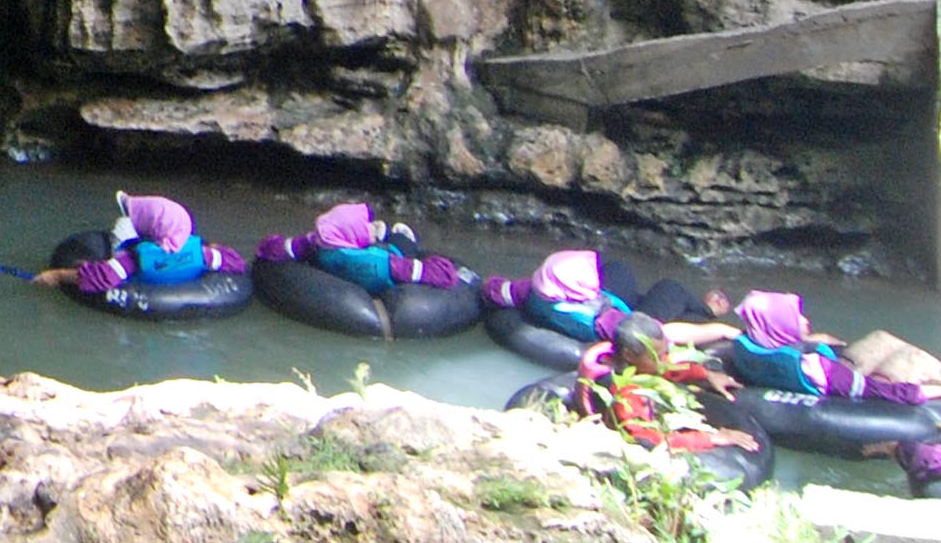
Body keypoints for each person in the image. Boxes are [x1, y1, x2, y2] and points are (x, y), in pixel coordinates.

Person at [672, 292, 937, 403]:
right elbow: (888, 392)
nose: (805, 320)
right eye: (797, 317)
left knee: (881, 337)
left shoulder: (747, 344)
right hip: (842, 382)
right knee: (913, 359)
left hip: (813, 367)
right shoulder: (817, 368)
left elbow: (719, 353)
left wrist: (812, 341)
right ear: (780, 325)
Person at [571, 318, 755, 455]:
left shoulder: (629, 362)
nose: (664, 361)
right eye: (658, 356)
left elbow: (664, 368)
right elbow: (647, 439)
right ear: (628, 354)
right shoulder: (623, 392)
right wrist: (711, 438)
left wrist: (705, 374)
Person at [32, 191, 242, 297]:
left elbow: (100, 276)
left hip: (145, 287)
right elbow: (235, 263)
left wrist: (56, 275)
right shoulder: (203, 254)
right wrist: (214, 248)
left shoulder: (134, 259)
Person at [253, 201, 465, 289]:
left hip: (344, 257)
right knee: (401, 243)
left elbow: (276, 248)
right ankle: (396, 237)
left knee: (381, 239)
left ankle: (380, 234)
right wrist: (441, 265)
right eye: (365, 226)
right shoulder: (379, 261)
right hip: (377, 267)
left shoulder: (318, 242)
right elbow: (437, 275)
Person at [476, 249, 635, 344]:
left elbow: (497, 291)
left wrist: (486, 286)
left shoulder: (533, 290)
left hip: (549, 310)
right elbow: (627, 330)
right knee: (619, 270)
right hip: (594, 327)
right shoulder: (601, 320)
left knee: (617, 269)